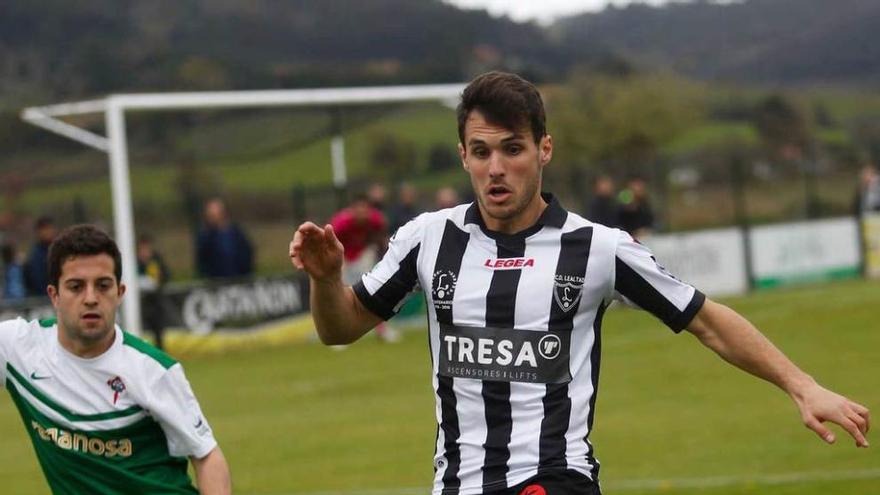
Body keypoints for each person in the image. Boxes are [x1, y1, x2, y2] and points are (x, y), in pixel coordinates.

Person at [290, 71, 869, 495]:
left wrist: (802, 385)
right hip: (456, 484)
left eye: (513, 150)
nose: (497, 168)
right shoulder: (427, 238)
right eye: (482, 152)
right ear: (463, 156)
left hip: (555, 478)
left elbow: (708, 321)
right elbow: (340, 329)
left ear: (544, 149)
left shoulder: (597, 247)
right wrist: (325, 279)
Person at [0, 225, 231, 493]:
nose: (90, 298)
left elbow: (207, 457)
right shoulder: (19, 348)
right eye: (76, 287)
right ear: (54, 295)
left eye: (103, 286)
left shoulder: (153, 371)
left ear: (119, 293)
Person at [330, 194, 398, 343]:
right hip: (344, 257)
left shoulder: (375, 219)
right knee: (341, 294)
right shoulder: (341, 223)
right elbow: (329, 243)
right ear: (352, 210)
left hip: (364, 254)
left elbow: (383, 235)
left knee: (374, 291)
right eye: (358, 209)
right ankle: (339, 334)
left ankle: (381, 330)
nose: (362, 213)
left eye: (365, 209)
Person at [195, 198, 254, 279]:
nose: (212, 218)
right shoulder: (206, 237)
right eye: (210, 215)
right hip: (216, 282)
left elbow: (247, 252)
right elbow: (202, 260)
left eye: (215, 214)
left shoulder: (236, 233)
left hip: (239, 278)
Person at [137, 233, 171, 350]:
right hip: (140, 301)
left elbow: (166, 275)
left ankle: (160, 352)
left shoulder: (156, 259)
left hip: (155, 301)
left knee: (158, 330)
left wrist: (158, 281)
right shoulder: (134, 262)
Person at [23, 216, 56, 297]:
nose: (49, 232)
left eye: (50, 228)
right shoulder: (35, 256)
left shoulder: (57, 249)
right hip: (43, 300)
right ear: (39, 231)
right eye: (46, 229)